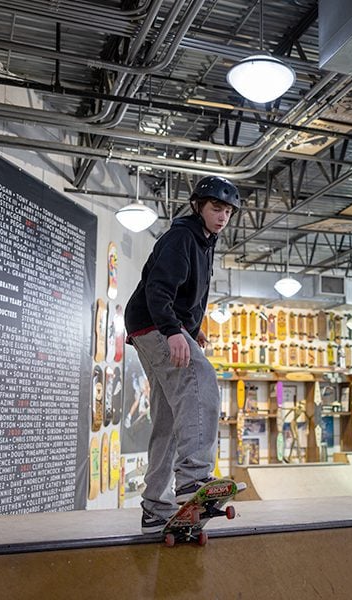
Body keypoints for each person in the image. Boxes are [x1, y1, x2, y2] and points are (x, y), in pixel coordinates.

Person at [124, 175, 246, 534]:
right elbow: (159, 288)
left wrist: (192, 329)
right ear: (198, 206)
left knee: (168, 415)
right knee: (201, 379)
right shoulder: (182, 237)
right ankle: (194, 477)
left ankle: (154, 507)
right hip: (154, 322)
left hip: (153, 325)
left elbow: (186, 295)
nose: (222, 217)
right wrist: (173, 330)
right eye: (216, 208)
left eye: (227, 212)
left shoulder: (204, 242)